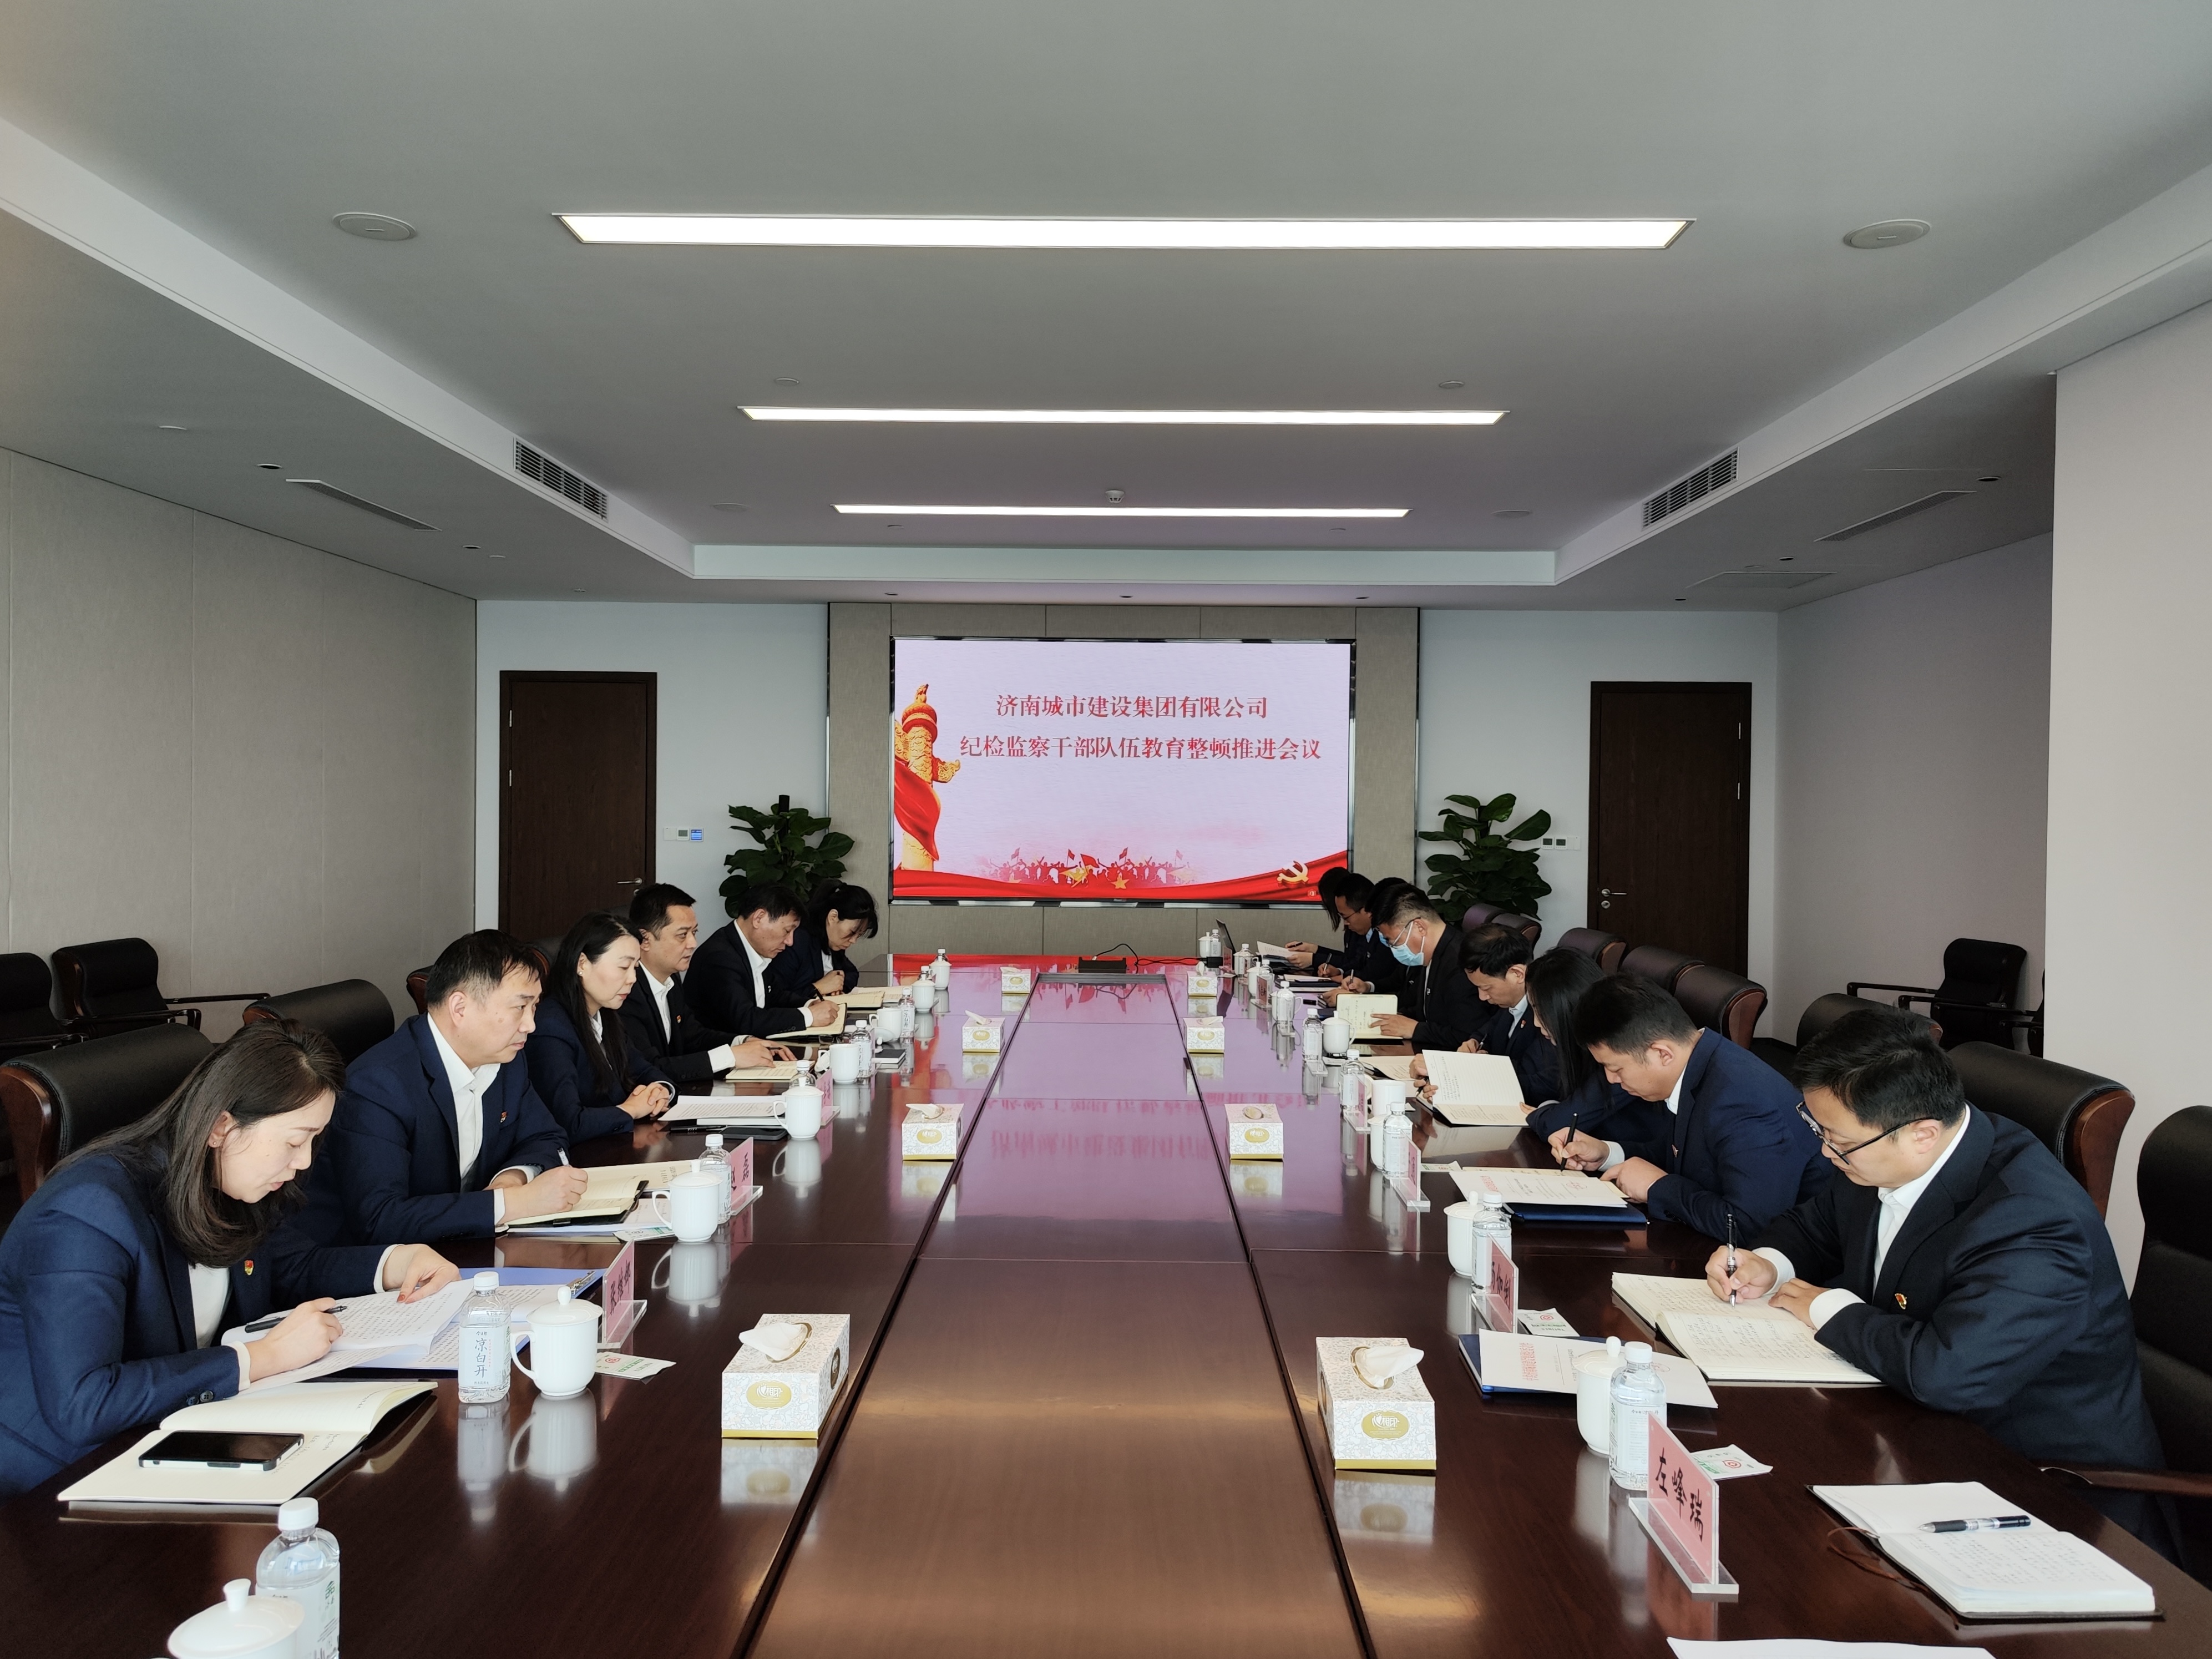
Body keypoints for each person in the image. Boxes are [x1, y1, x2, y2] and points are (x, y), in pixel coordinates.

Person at [0, 1020, 459, 1498]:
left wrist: (394, 1263)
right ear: (222, 1127)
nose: (304, 1161)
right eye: (294, 1141)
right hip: (55, 1474)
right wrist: (260, 1358)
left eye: (313, 1140)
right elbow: (83, 1404)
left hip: (173, 1431)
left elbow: (288, 1267)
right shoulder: (87, 1212)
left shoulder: (232, 1180)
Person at [1706, 1008, 2164, 1481]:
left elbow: (1946, 1374)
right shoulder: (1878, 1152)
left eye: (1836, 1140)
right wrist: (1768, 1263)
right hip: (1905, 1420)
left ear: (1922, 1134)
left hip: (2038, 1474)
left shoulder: (2033, 1221)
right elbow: (1815, 1225)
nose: (1825, 1151)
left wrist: (1827, 1308)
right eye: (1818, 1129)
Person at [301, 930, 587, 1243]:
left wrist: (512, 1178)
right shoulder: (378, 1085)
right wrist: (510, 1204)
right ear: (460, 1008)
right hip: (374, 1261)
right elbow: (380, 1219)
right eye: (520, 1007)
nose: (531, 1025)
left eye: (535, 1007)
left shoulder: (506, 1059)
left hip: (463, 1246)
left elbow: (548, 1136)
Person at [1550, 974, 1828, 1238]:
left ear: (1663, 1054)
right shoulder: (1700, 1062)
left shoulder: (1743, 1103)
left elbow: (1746, 1225)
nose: (1611, 1080)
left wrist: (1657, 1186)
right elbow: (1688, 1157)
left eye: (1616, 1068)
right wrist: (1607, 1153)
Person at [526, 912, 677, 1144]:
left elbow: (644, 1070)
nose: (632, 979)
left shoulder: (606, 1014)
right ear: (582, 964)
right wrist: (630, 1110)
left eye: (636, 967)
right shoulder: (550, 1029)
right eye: (624, 967)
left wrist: (661, 1090)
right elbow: (568, 1123)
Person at [621, 883, 793, 1083]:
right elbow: (649, 1068)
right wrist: (729, 1057)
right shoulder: (627, 991)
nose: (693, 944)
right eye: (682, 935)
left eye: (694, 933)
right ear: (645, 939)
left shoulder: (671, 978)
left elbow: (693, 1036)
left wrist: (743, 1042)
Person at [1519, 950, 1668, 1147]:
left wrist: (1543, 1114)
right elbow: (1548, 1085)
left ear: (1565, 1008)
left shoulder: (1620, 1057)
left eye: (1540, 1010)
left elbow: (1556, 1124)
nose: (1537, 1023)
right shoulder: (1580, 1050)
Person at [686, 883, 841, 1039]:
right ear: (759, 918)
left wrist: (809, 1004)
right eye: (787, 931)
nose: (790, 941)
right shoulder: (720, 958)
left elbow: (775, 995)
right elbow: (746, 1020)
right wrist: (808, 1016)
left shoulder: (752, 948)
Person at [1369, 889, 1486, 1050]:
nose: (1393, 948)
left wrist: (1416, 1029)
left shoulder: (1460, 963)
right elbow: (1427, 1011)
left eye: (1393, 941)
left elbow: (1466, 1035)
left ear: (1419, 927)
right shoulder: (1430, 953)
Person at [1460, 923, 1561, 1104]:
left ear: (1517, 974)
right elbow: (1487, 1032)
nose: (1482, 997)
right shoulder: (1508, 1004)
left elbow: (1539, 1082)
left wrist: (1481, 1069)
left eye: (1487, 988)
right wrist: (1474, 1042)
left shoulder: (1546, 1017)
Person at [769, 881, 879, 1003]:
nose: (854, 941)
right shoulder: (797, 941)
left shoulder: (833, 942)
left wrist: (837, 985)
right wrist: (818, 988)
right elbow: (775, 997)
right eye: (852, 932)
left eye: (860, 935)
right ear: (833, 917)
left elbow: (851, 973)